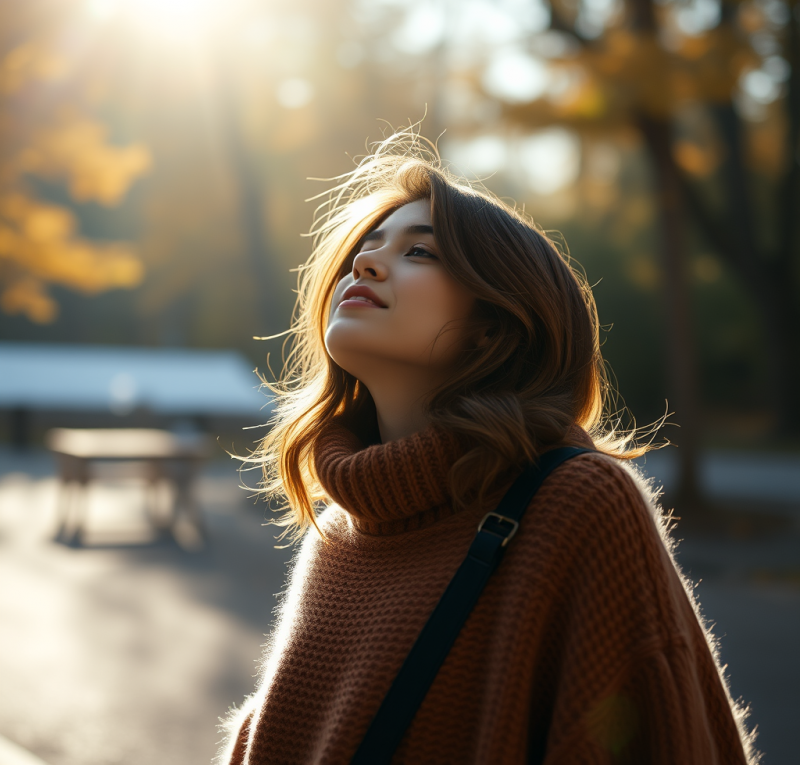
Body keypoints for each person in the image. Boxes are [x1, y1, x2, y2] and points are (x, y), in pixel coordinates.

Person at [216, 133, 757, 764]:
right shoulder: (337, 530)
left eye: (420, 251)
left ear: (494, 327)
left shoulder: (578, 505)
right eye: (365, 247)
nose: (362, 265)